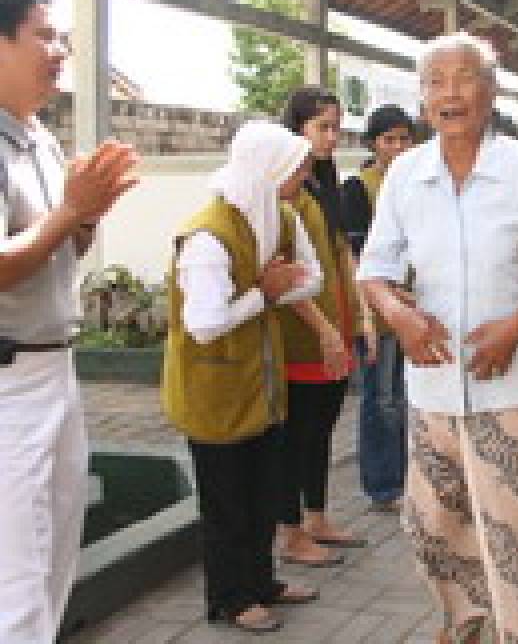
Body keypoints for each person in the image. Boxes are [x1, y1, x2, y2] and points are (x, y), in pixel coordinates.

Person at [358, 32, 518, 644]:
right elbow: (373, 269)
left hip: (514, 383)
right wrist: (396, 317)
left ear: (490, 89)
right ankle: (466, 617)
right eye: (435, 82)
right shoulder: (405, 173)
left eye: (464, 78)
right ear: (423, 98)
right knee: (431, 524)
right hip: (431, 386)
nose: (450, 93)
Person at [0, 0, 138, 643]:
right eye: (43, 36)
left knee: (54, 560)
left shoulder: (40, 138)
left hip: (56, 372)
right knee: (16, 577)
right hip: (8, 383)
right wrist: (69, 212)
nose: (60, 50)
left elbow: (58, 248)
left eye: (62, 37)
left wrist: (85, 219)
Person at [162, 121, 322, 634]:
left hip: (260, 387)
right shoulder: (209, 235)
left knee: (261, 493)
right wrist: (264, 295)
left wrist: (273, 290)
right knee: (227, 503)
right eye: (295, 169)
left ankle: (261, 583)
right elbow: (205, 325)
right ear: (266, 172)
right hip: (215, 390)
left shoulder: (276, 219)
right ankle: (230, 598)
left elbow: (310, 277)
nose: (303, 177)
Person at [276, 86, 363, 567]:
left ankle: (316, 515)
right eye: (321, 128)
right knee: (298, 433)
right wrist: (325, 328)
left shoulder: (325, 185)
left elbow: (342, 254)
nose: (331, 138)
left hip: (337, 325)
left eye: (336, 127)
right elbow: (284, 270)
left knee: (322, 428)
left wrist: (360, 316)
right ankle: (289, 532)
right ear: (296, 129)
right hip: (303, 334)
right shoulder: (285, 191)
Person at [342, 105, 417, 513]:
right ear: (373, 143)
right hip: (378, 309)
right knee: (381, 399)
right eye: (390, 139)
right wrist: (369, 313)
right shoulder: (358, 189)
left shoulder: (419, 184)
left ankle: (409, 477)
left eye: (405, 138)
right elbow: (355, 258)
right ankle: (383, 485)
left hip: (417, 305)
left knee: (406, 398)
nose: (399, 147)